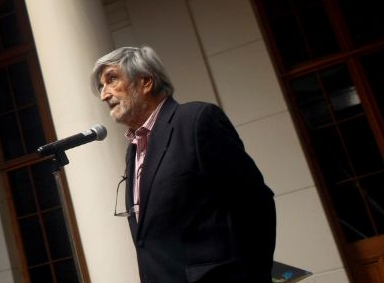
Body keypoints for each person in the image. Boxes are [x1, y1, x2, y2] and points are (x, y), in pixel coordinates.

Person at [92, 46, 275, 282]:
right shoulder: (134, 149)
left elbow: (255, 202)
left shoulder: (196, 120)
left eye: (112, 79)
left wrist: (254, 277)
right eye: (101, 86)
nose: (104, 95)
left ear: (146, 81)